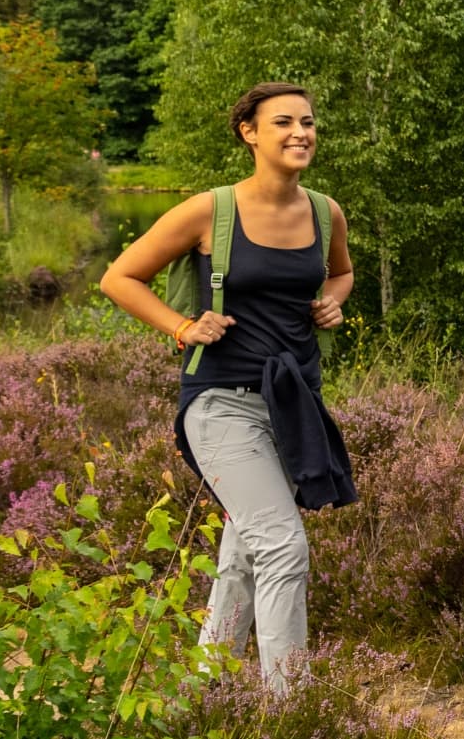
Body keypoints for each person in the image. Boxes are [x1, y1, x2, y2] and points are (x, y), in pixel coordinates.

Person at [101, 82, 356, 695]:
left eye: (309, 122)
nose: (301, 133)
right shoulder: (209, 211)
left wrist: (333, 303)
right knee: (283, 549)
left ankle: (200, 695)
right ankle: (288, 713)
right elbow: (120, 278)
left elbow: (342, 273)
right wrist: (184, 326)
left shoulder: (325, 212)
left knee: (244, 556)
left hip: (293, 405)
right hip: (220, 405)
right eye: (284, 123)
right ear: (250, 133)